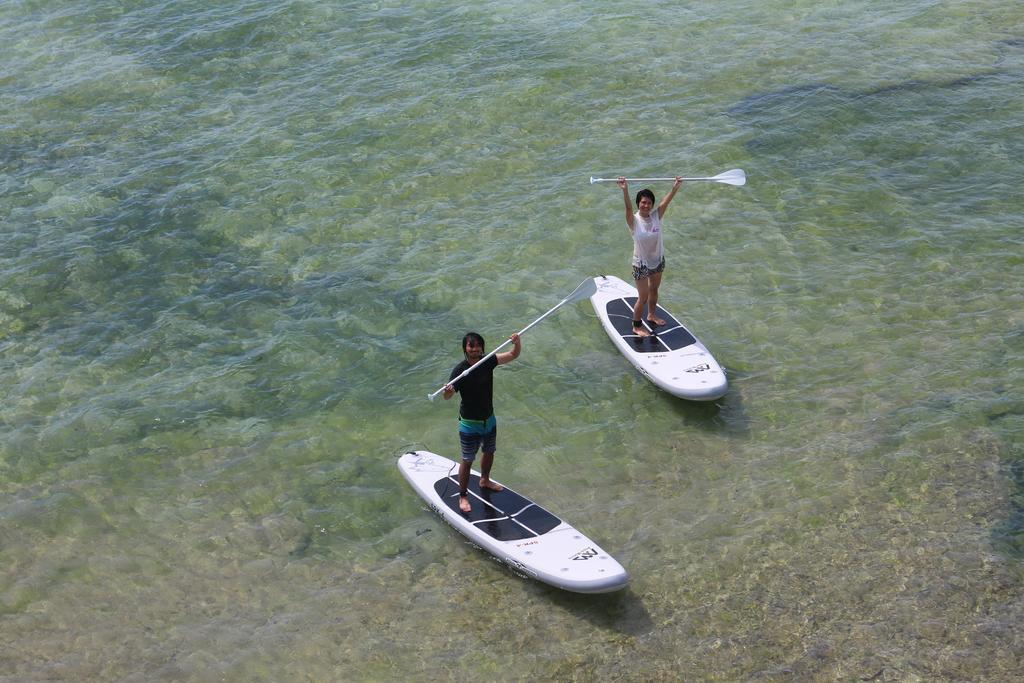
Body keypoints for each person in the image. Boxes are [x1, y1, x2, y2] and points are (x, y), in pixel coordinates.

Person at [442, 331, 521, 513]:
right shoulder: (460, 371)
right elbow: (447, 397)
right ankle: (462, 496)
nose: (475, 349)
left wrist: (516, 343)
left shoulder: (487, 361)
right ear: (465, 349)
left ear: (482, 347)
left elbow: (512, 355)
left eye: (478, 345)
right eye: (471, 346)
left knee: (489, 451)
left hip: (489, 419)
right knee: (468, 459)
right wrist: (449, 389)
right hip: (469, 423)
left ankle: (484, 480)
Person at [617, 175, 683, 337]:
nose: (646, 205)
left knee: (654, 289)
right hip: (641, 264)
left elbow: (665, 202)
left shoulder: (656, 216)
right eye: (643, 202)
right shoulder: (633, 220)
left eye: (649, 203)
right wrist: (625, 190)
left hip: (658, 260)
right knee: (643, 297)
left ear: (652, 204)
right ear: (638, 203)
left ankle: (651, 315)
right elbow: (626, 208)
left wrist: (675, 187)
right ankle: (636, 325)